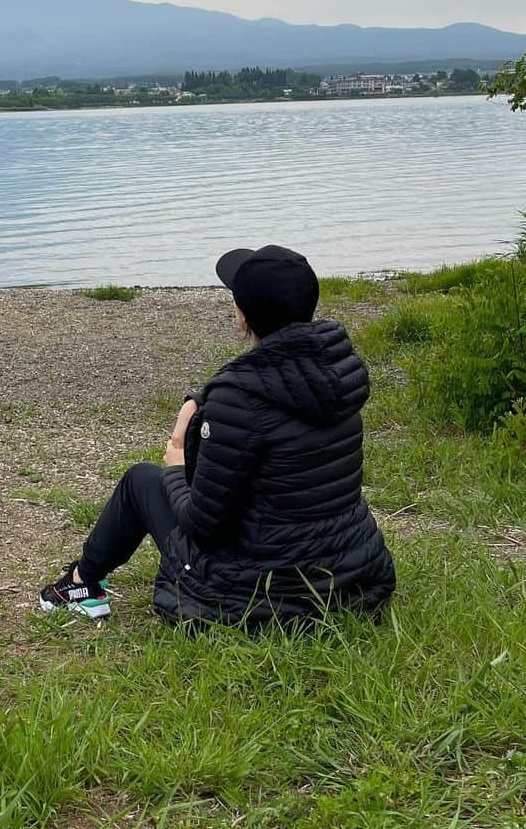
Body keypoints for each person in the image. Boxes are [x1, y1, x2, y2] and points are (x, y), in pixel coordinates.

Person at [39, 245, 396, 628]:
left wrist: (177, 458)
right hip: (350, 581)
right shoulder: (336, 373)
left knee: (141, 480)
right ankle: (82, 582)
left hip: (263, 599)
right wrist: (209, 407)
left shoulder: (239, 399)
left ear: (244, 317)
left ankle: (80, 585)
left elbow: (204, 527)